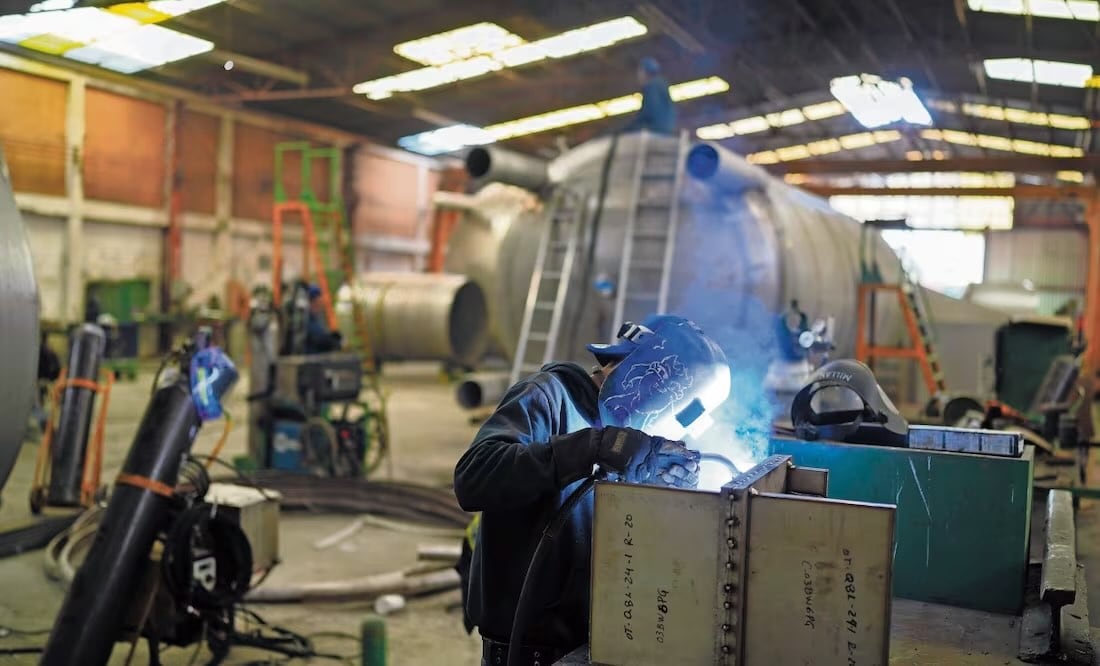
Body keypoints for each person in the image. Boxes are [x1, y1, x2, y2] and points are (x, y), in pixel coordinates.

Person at [454, 314, 731, 665]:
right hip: (522, 651)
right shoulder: (547, 396)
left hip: (589, 647)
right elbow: (472, 478)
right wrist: (593, 446)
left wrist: (663, 497)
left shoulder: (629, 441)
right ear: (648, 373)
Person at [622, 56, 676, 135]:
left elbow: (649, 111)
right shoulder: (662, 84)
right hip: (667, 130)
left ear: (644, 72)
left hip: (655, 130)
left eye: (639, 71)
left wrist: (630, 127)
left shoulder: (652, 86)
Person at [304, 284, 340, 354]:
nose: (320, 306)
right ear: (312, 302)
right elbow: (318, 337)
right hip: (311, 358)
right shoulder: (307, 319)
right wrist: (333, 341)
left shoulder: (316, 318)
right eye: (318, 303)